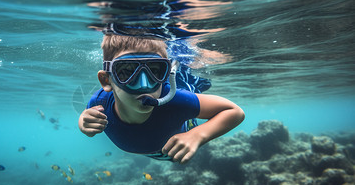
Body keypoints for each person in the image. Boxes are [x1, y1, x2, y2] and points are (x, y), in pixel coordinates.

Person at [78, 34, 245, 164]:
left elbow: (234, 111)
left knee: (189, 89)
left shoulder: (174, 101)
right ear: (107, 80)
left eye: (155, 71)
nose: (144, 85)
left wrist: (197, 135)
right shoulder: (100, 103)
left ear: (167, 73)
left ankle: (192, 84)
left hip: (183, 130)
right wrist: (83, 122)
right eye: (127, 72)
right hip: (162, 151)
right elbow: (88, 116)